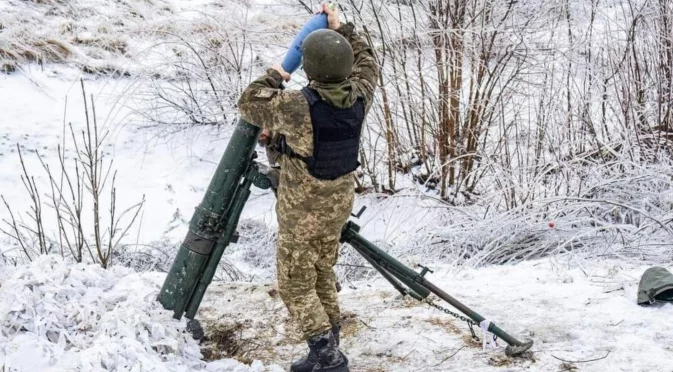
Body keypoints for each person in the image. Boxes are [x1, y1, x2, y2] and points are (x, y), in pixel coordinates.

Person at [237, 4, 379, 372]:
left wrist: (279, 71)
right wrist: (341, 28)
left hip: (301, 214)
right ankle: (322, 353)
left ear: (310, 67)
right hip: (337, 206)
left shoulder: (297, 106)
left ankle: (330, 361)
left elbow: (249, 101)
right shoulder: (361, 94)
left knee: (294, 285)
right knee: (320, 275)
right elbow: (369, 61)